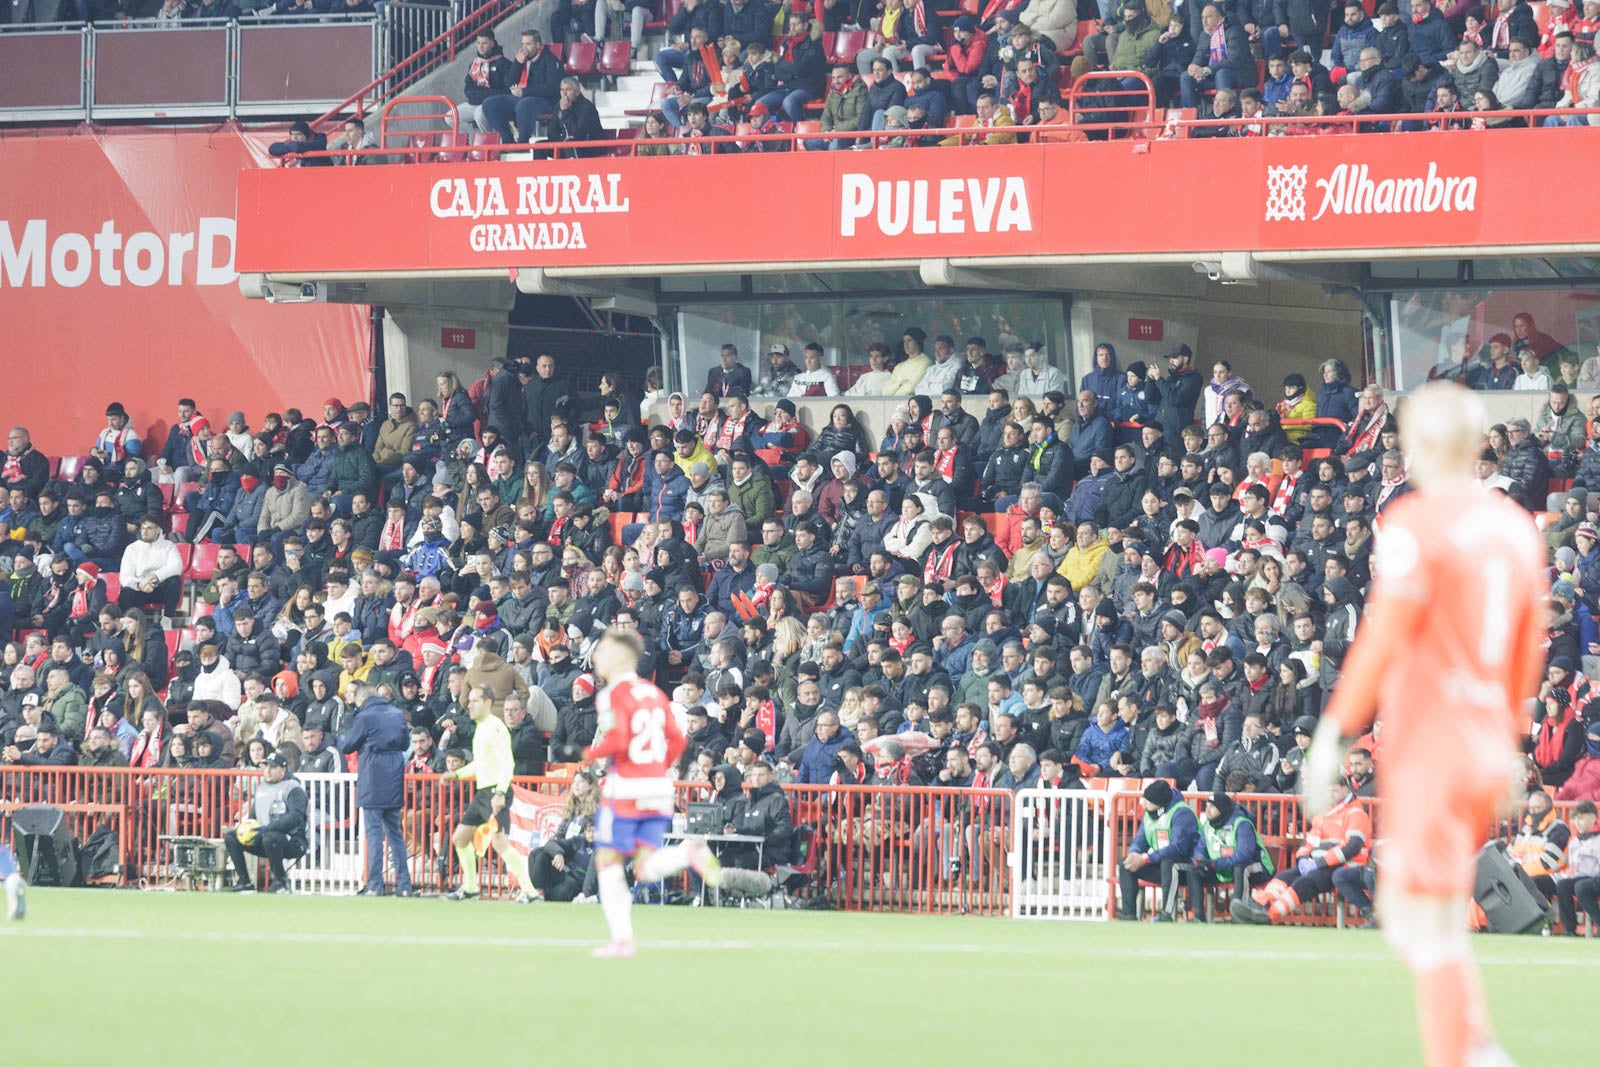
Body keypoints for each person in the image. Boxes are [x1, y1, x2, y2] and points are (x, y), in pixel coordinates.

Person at [1302, 382, 1546, 1067]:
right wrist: (1509, 742)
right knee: (1425, 912)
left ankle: (1466, 1054)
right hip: (1480, 739)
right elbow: (1530, 645)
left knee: (1422, 919)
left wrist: (1333, 732)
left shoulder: (1417, 521)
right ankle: (1477, 1045)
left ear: (1428, 443)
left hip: (1432, 738)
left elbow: (1384, 639)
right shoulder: (1516, 529)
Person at [584, 628, 721, 958]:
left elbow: (619, 740)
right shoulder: (654, 693)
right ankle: (687, 853)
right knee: (644, 866)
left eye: (602, 651)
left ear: (621, 657)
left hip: (626, 786)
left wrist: (586, 755)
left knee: (607, 860)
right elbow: (678, 740)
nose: (597, 657)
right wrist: (656, 769)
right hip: (658, 786)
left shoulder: (612, 694)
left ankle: (622, 939)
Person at [441, 684, 541, 902]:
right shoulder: (483, 727)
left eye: (475, 700)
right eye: (470, 701)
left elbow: (508, 762)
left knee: (499, 842)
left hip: (495, 792)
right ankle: (470, 888)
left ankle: (530, 892)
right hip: (483, 793)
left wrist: (500, 793)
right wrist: (457, 775)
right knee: (459, 839)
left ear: (487, 703)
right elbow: (481, 764)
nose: (470, 705)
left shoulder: (495, 727)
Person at [338, 681, 414, 897]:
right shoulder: (397, 714)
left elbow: (347, 745)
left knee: (373, 833)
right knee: (395, 833)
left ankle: (375, 884)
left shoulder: (364, 717)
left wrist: (345, 734)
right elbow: (405, 744)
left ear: (361, 700)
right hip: (394, 774)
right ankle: (404, 885)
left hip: (372, 775)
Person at [224, 751, 307, 894]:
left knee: (270, 838)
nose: (267, 771)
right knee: (231, 837)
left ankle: (280, 882)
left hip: (292, 841)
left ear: (283, 770)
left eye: (272, 767)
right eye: (266, 766)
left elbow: (296, 817)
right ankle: (244, 882)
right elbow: (253, 817)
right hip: (264, 838)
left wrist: (269, 828)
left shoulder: (293, 788)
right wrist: (244, 828)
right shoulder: (262, 788)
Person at [1117, 778, 1198, 920]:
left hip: (1186, 867)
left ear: (1159, 803)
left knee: (1169, 863)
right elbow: (1140, 840)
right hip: (1160, 863)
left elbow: (1178, 848)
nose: (1144, 803)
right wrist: (1134, 854)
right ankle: (1128, 915)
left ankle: (1166, 915)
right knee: (1126, 864)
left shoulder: (1182, 813)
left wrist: (1146, 859)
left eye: (1148, 801)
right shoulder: (1149, 814)